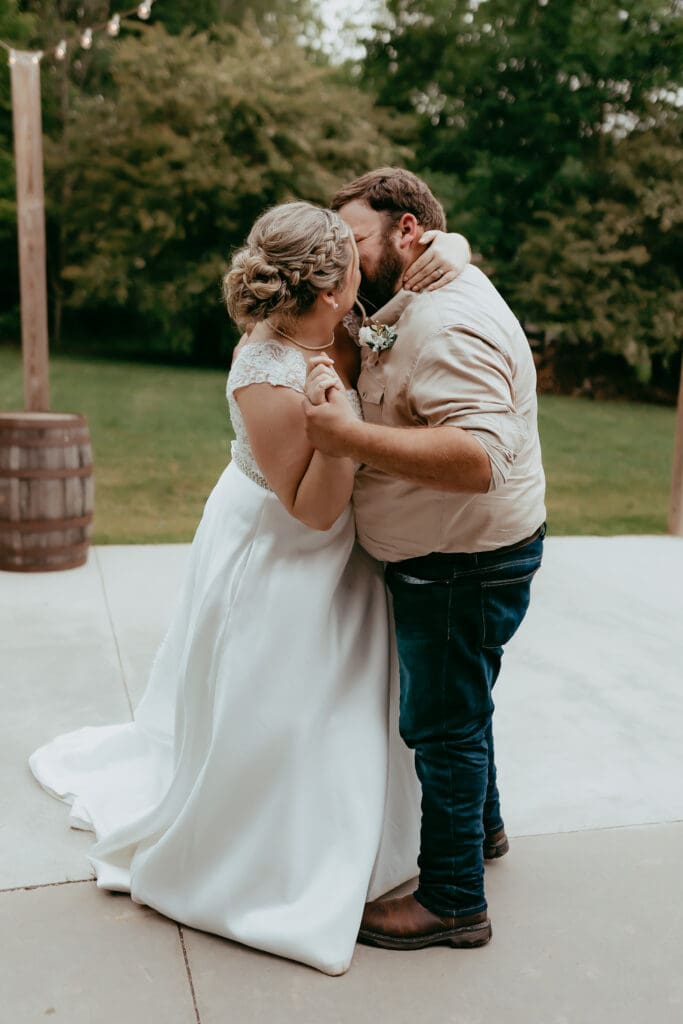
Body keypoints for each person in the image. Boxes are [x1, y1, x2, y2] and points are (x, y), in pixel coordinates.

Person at [29, 200, 469, 976]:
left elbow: (420, 249)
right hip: (280, 543)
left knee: (352, 698)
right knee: (283, 698)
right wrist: (337, 429)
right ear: (327, 287)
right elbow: (311, 507)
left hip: (347, 547)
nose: (364, 264)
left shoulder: (345, 313)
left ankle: (369, 832)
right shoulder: (263, 371)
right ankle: (265, 856)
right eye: (350, 259)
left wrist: (454, 246)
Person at [303, 168, 547, 951]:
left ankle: (451, 901)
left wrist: (344, 439)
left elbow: (480, 457)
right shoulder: (416, 294)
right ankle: (484, 833)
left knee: (441, 726)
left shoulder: (443, 320)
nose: (343, 258)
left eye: (354, 241)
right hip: (466, 551)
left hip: (458, 560)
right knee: (462, 705)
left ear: (407, 231)